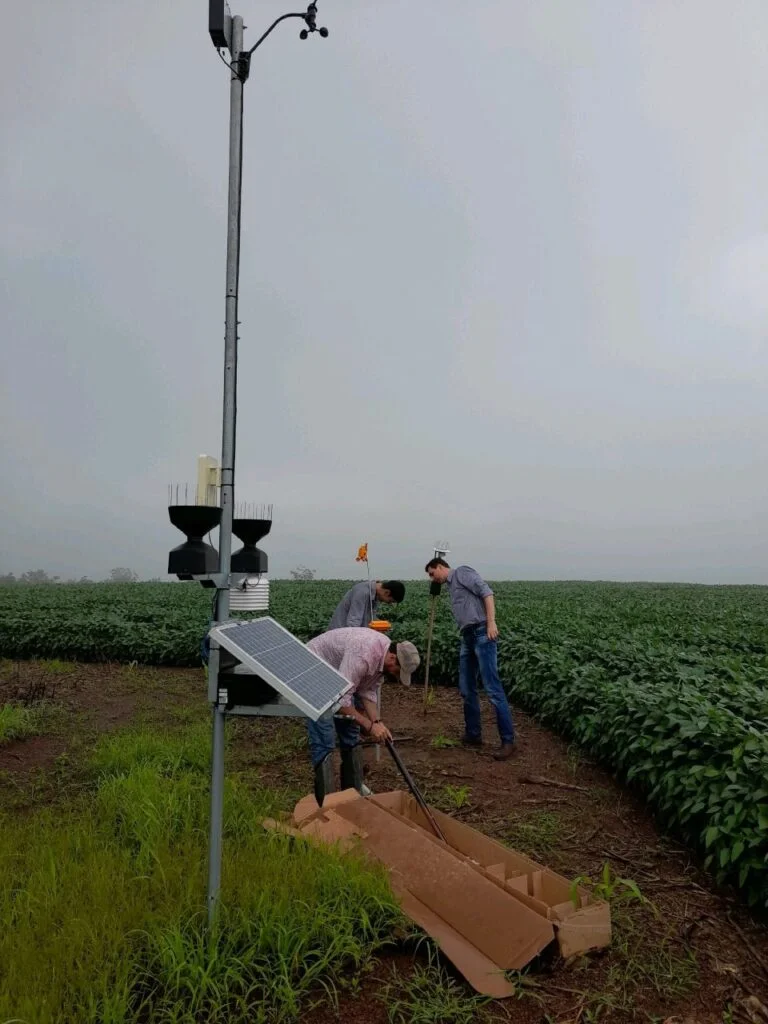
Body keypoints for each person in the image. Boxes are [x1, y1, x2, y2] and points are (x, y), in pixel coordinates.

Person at [305, 626, 420, 804]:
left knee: (351, 735)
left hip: (338, 678)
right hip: (314, 670)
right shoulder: (363, 654)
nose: (396, 675)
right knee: (325, 738)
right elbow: (341, 701)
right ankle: (325, 806)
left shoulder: (382, 658)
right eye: (397, 671)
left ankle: (351, 797)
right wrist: (369, 725)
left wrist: (377, 722)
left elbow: (367, 690)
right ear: (392, 657)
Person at [425, 557, 516, 760]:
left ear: (441, 567)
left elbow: (487, 593)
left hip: (482, 633)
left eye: (432, 573)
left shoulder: (462, 572)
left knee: (492, 689)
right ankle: (473, 734)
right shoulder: (450, 586)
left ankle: (508, 741)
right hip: (467, 637)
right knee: (466, 688)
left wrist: (491, 622)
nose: (432, 578)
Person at [328, 579, 406, 630]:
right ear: (387, 592)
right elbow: (353, 623)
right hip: (340, 634)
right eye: (390, 601)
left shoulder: (375, 596)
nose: (388, 603)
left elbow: (369, 619)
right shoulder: (363, 593)